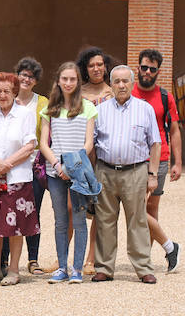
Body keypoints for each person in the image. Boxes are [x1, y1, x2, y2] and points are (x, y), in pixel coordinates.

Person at [92, 65, 162, 284]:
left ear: (132, 83)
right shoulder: (100, 110)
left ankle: (143, 268)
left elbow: (156, 143)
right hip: (105, 171)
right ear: (110, 84)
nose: (121, 85)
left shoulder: (145, 109)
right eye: (116, 81)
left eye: (125, 81)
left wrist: (152, 174)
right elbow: (92, 143)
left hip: (135, 171)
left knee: (137, 220)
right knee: (105, 220)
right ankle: (104, 268)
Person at [0, 72, 39, 286]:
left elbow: (29, 146)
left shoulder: (25, 115)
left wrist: (5, 165)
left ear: (14, 92)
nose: (2, 95)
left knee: (16, 227)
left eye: (7, 91)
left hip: (17, 179)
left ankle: (13, 270)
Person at [38, 61, 97, 284]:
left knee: (80, 221)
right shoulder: (49, 110)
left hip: (78, 174)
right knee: (61, 221)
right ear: (59, 81)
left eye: (73, 79)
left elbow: (89, 142)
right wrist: (58, 165)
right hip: (56, 174)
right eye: (65, 79)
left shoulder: (88, 107)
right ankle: (61, 267)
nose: (69, 83)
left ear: (78, 82)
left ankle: (77, 270)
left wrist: (73, 167)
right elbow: (43, 143)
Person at [132, 48, 182, 272]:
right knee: (137, 207)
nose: (147, 72)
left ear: (158, 72)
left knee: (150, 209)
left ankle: (146, 257)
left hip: (159, 159)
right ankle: (169, 247)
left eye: (152, 69)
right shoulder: (128, 91)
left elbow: (174, 130)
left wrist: (177, 162)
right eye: (144, 67)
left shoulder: (165, 96)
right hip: (134, 158)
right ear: (138, 68)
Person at [0, 57, 49, 276]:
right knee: (8, 212)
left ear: (36, 80)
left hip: (34, 167)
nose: (26, 79)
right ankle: (9, 262)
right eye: (22, 74)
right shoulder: (8, 99)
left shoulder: (43, 103)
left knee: (32, 212)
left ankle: (33, 259)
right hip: (9, 166)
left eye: (30, 76)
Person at [73, 46, 114, 275]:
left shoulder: (113, 91)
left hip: (103, 158)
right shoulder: (78, 92)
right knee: (73, 208)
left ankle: (91, 258)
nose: (96, 68)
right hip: (81, 156)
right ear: (85, 69)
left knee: (99, 210)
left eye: (100, 64)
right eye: (91, 65)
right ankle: (69, 258)